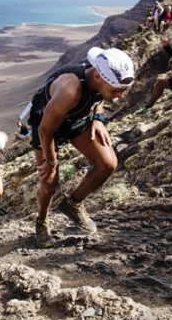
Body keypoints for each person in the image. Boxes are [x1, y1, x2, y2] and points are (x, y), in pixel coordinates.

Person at [28, 47, 135, 248]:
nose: (120, 97)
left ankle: (73, 203)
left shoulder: (101, 79)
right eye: (116, 91)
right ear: (96, 76)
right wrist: (51, 162)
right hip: (48, 127)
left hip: (76, 120)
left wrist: (98, 118)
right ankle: (42, 220)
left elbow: (100, 96)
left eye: (122, 91)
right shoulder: (70, 89)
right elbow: (45, 129)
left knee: (107, 163)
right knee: (50, 182)